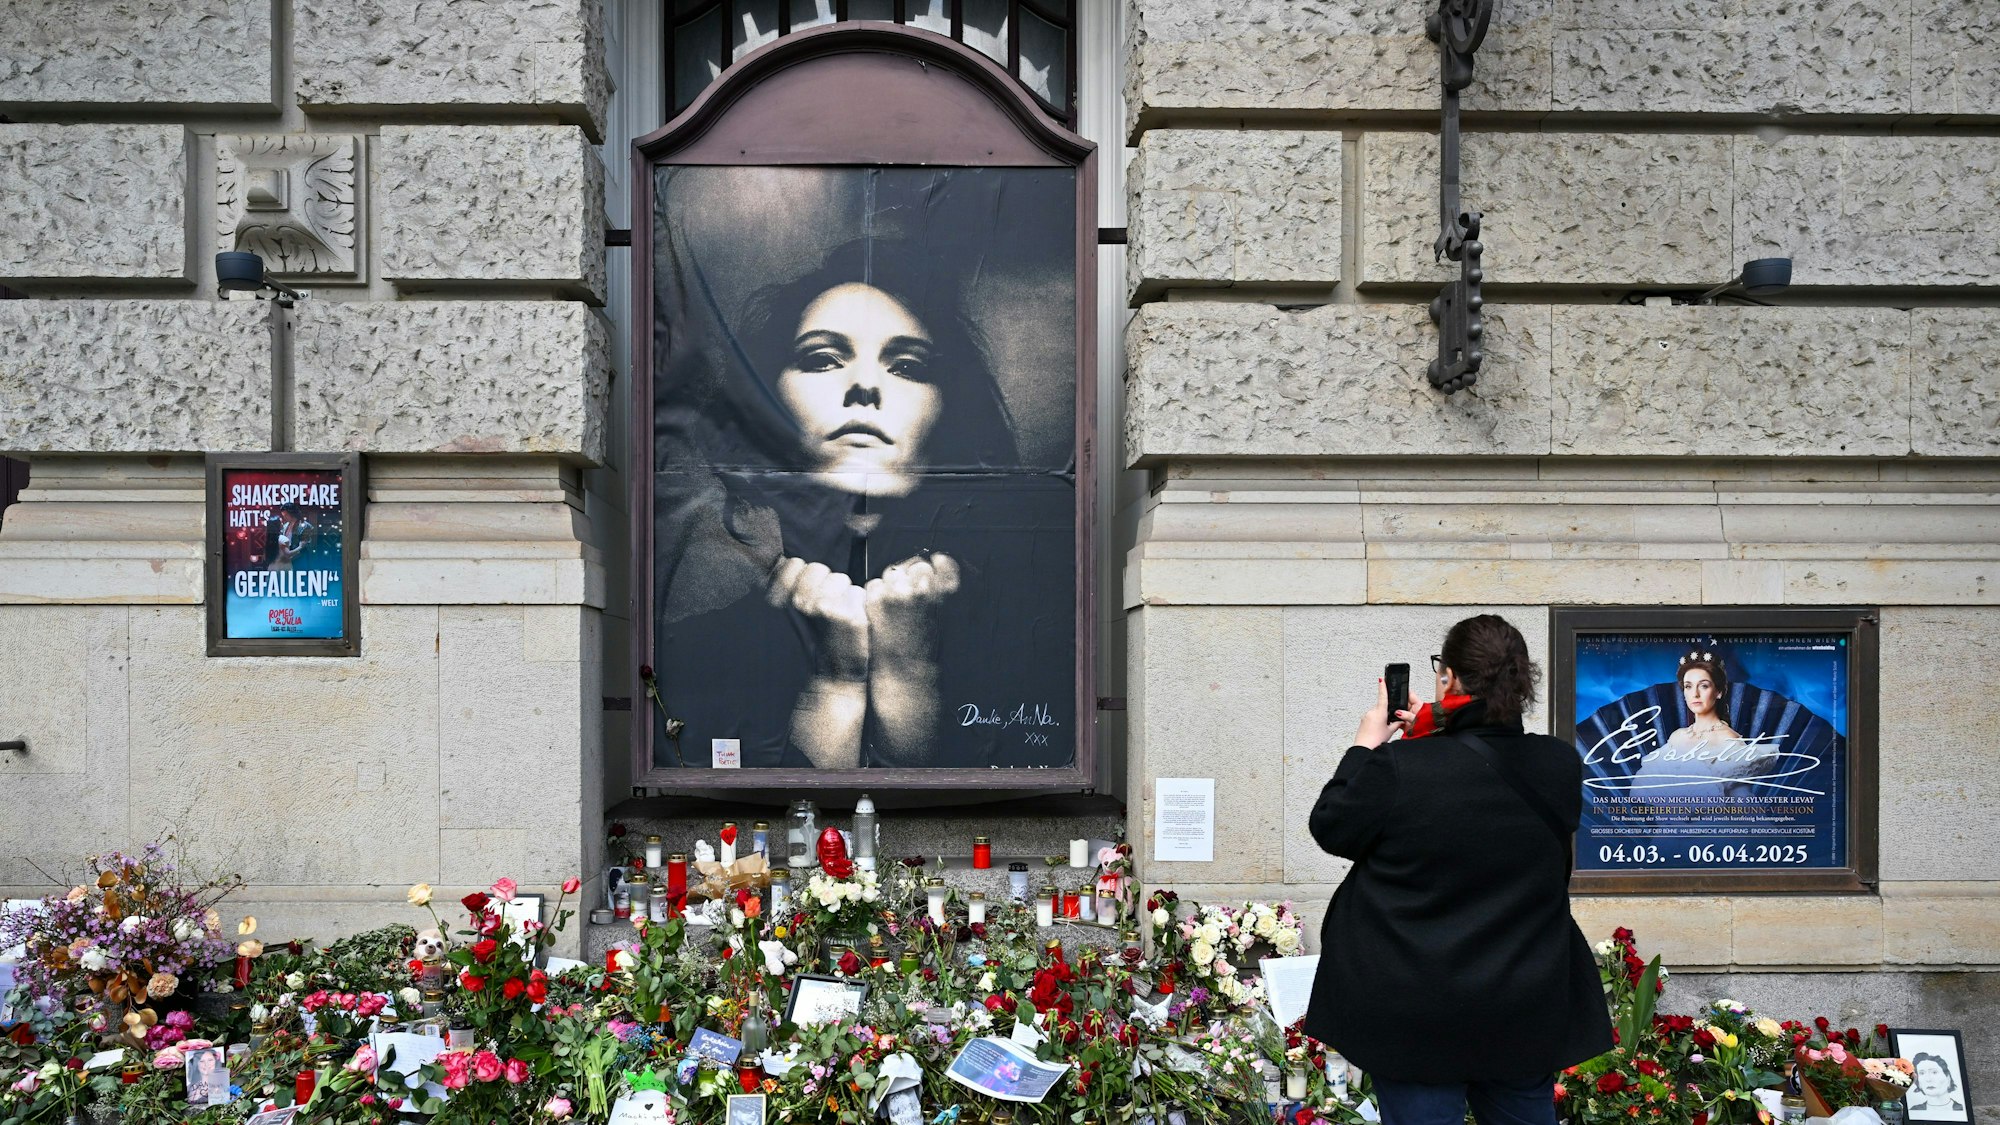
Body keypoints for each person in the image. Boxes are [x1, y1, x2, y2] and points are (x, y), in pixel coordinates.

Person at [652, 236, 1071, 770]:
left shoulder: (1039, 635)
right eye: (823, 359)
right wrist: (834, 687)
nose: (866, 385)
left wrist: (909, 673)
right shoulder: (692, 653)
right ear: (768, 404)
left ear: (950, 414)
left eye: (907, 366)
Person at [1304, 613, 1613, 1125]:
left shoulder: (1398, 770)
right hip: (1521, 1001)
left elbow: (1331, 826)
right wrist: (1437, 730)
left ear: (1447, 679)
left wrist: (1365, 744)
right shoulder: (1559, 765)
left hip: (1417, 1010)